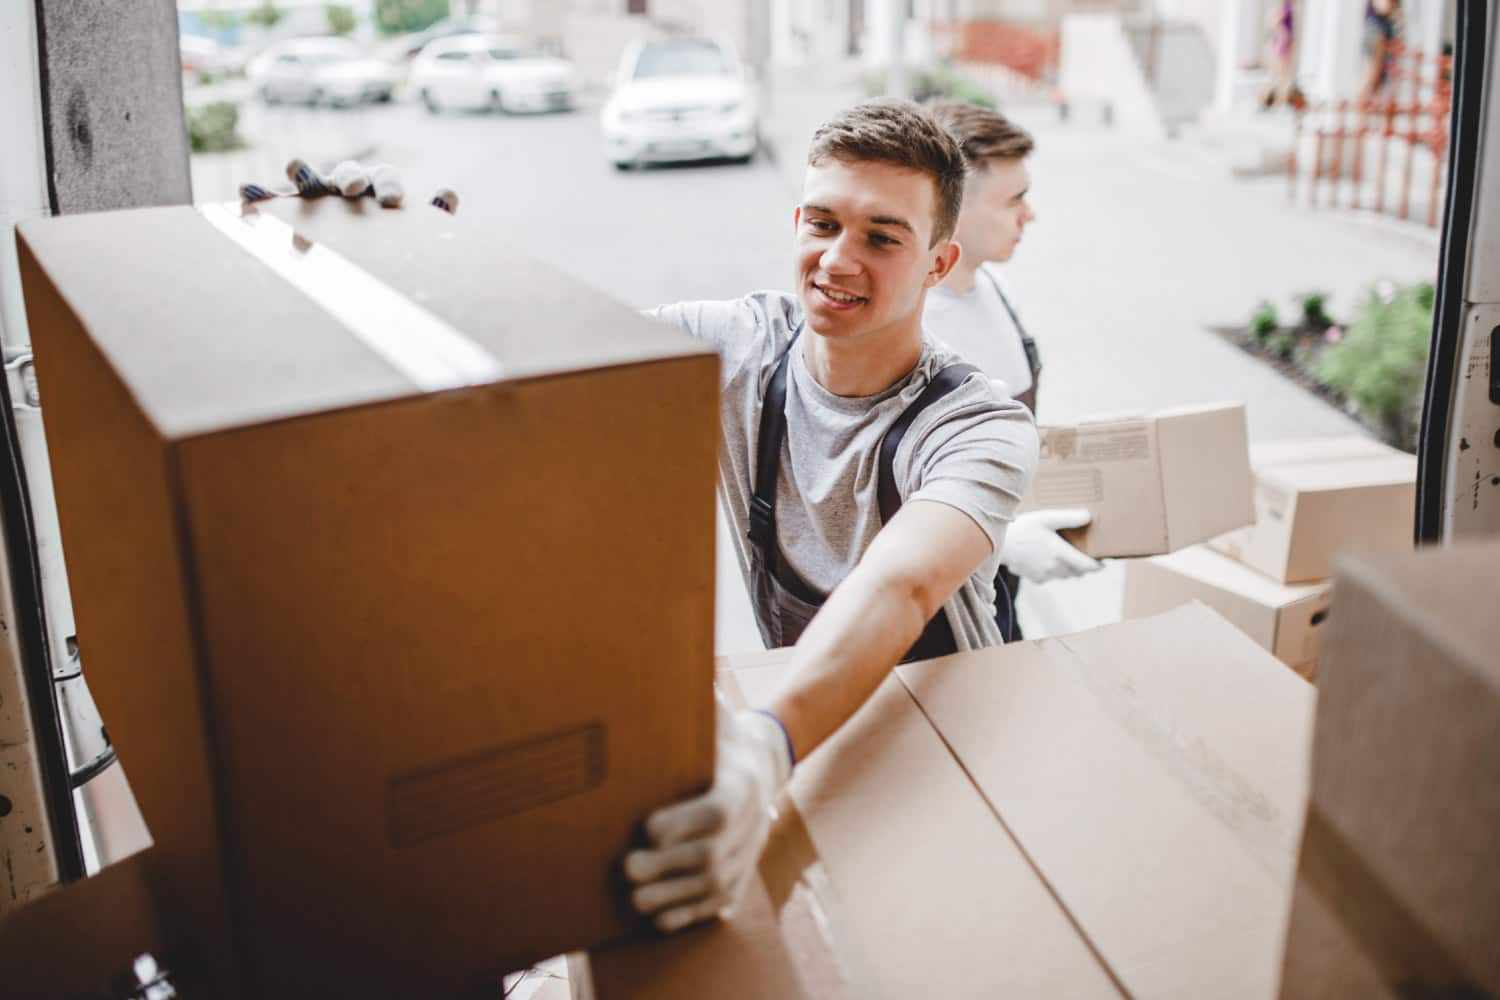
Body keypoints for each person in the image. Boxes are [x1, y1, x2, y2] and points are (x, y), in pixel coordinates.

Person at [621, 99, 1038, 933]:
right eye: (822, 222)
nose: (837, 260)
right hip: (814, 730)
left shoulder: (978, 425)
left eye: (883, 237)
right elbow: (553, 367)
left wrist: (762, 747)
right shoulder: (733, 346)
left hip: (944, 752)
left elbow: (902, 586)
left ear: (937, 261)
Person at [922, 101, 1101, 630]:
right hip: (938, 609)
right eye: (1014, 200)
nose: (1030, 214)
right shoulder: (910, 331)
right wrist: (998, 545)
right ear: (952, 207)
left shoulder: (999, 291)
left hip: (1003, 594)